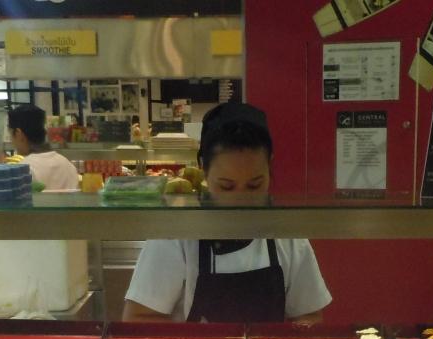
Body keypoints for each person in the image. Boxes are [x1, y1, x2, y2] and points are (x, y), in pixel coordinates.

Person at [123, 102, 332, 324]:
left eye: (254, 185)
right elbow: (138, 320)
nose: (241, 202)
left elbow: (309, 315)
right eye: (226, 186)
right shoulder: (177, 234)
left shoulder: (287, 236)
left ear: (270, 166)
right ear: (203, 167)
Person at [6, 104, 79, 191]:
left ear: (18, 134)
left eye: (10, 134)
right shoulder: (68, 166)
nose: (11, 140)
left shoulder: (24, 170)